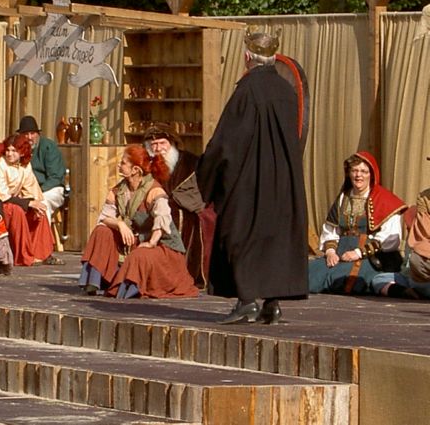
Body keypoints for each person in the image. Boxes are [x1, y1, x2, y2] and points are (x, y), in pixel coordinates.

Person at [196, 29, 308, 325]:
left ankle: (247, 301)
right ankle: (272, 303)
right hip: (283, 182)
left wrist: (207, 172)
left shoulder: (246, 91)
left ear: (247, 56)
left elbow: (227, 143)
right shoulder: (287, 91)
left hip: (249, 181)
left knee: (239, 236)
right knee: (274, 239)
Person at [79, 144, 199, 299]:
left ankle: (127, 288)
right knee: (101, 232)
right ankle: (95, 281)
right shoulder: (119, 191)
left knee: (139, 255)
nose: (119, 165)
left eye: (123, 163)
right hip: (137, 242)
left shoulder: (154, 191)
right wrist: (120, 224)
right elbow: (104, 217)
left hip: (162, 246)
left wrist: (151, 243)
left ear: (135, 170)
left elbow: (162, 220)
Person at [309, 151, 406, 295]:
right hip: (341, 252)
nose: (358, 175)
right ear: (349, 173)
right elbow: (331, 230)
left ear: (371, 174)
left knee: (345, 277)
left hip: (371, 257)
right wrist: (330, 252)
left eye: (364, 171)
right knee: (312, 271)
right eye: (354, 170)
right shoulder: (343, 197)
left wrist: (358, 252)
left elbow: (390, 239)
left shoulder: (384, 200)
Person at [143, 123, 214, 288]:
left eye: (162, 143)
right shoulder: (145, 164)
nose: (158, 148)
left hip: (186, 207)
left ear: (172, 143)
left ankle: (187, 273)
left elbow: (201, 188)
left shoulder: (191, 162)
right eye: (154, 144)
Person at [0, 134, 64, 266]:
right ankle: (23, 255)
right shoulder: (0, 164)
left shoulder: (25, 166)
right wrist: (27, 203)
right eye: (8, 150)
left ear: (22, 152)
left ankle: (41, 254)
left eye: (14, 151)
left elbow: (31, 189)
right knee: (17, 211)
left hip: (16, 201)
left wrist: (34, 203)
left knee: (39, 210)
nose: (9, 154)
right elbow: (1, 195)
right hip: (1, 205)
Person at [372, 183, 430, 299]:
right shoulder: (415, 237)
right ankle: (405, 292)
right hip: (414, 279)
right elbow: (411, 263)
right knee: (378, 279)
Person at [17, 115, 66, 223]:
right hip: (27, 191)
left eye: (32, 133)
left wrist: (37, 193)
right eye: (26, 134)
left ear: (38, 134)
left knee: (42, 204)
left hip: (50, 189)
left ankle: (43, 234)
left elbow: (55, 178)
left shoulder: (48, 147)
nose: (29, 137)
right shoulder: (17, 149)